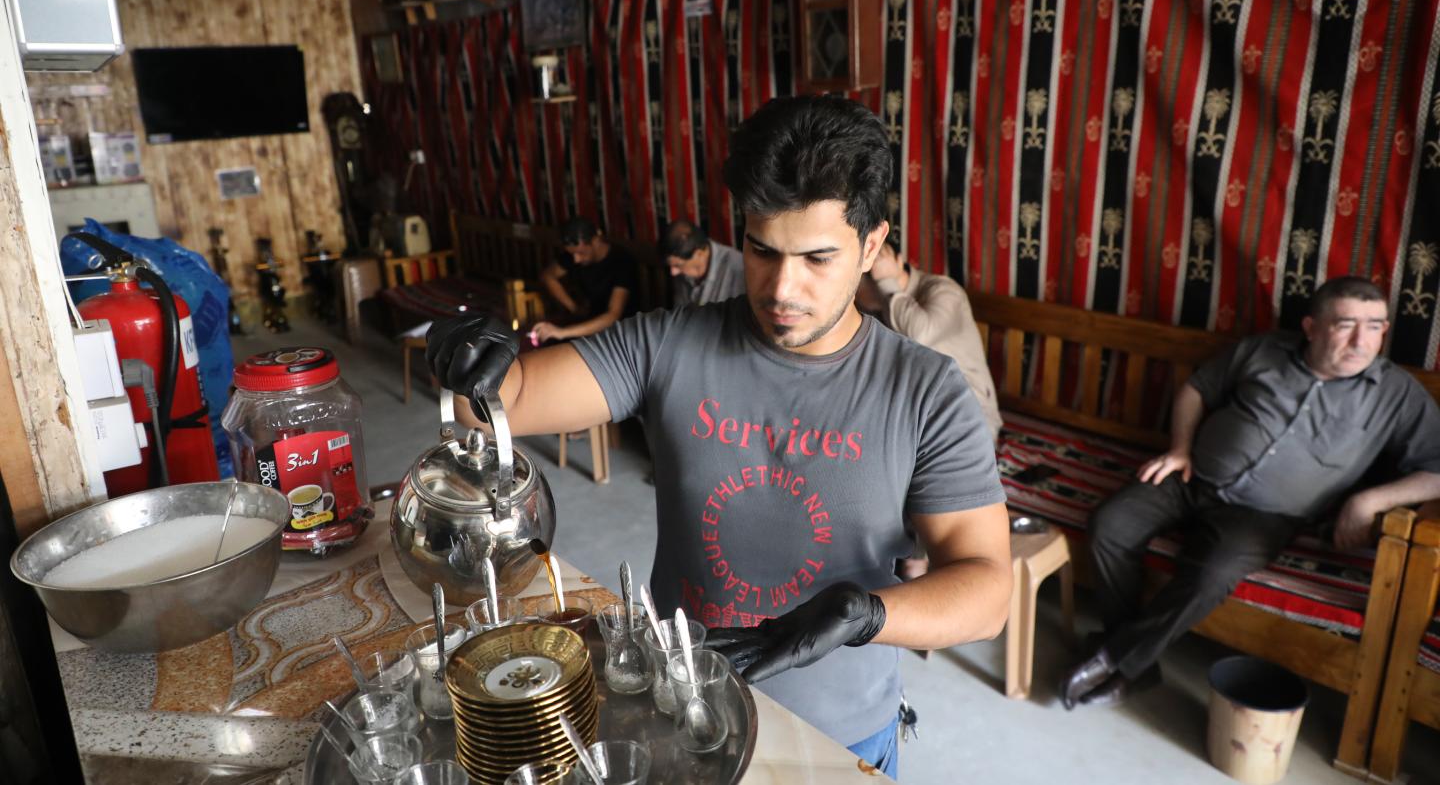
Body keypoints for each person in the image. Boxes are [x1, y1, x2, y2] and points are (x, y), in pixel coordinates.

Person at [427, 95, 1011, 777]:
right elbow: (505, 400)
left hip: (841, 737)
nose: (782, 287)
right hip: (685, 708)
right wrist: (470, 361)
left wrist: (865, 614)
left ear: (872, 245)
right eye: (763, 251)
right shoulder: (672, 343)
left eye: (818, 258)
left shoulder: (925, 391)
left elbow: (987, 592)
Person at [1063, 276, 1440, 709]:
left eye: (1375, 326)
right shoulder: (1262, 350)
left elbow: (1437, 468)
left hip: (1265, 516)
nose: (1362, 340)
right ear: (1312, 327)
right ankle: (1136, 665)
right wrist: (1181, 448)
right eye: (1345, 324)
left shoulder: (1396, 394)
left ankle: (1114, 657)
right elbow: (1196, 389)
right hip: (1192, 481)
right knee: (1110, 524)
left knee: (1212, 573)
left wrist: (1368, 501)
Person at [861, 235, 1002, 441]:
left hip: (970, 418)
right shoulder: (869, 307)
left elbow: (918, 336)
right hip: (911, 415)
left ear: (898, 261)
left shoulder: (943, 290)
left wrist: (886, 283)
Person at [532, 217, 638, 343]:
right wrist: (574, 308)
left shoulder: (621, 261)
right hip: (589, 323)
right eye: (572, 254)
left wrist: (562, 332)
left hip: (621, 332)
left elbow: (613, 316)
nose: (576, 259)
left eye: (580, 253)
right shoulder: (575, 255)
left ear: (595, 241)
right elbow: (548, 276)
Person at [662, 218, 746, 307]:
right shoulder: (683, 263)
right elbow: (679, 312)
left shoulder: (738, 268)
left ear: (699, 254)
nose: (673, 272)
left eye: (677, 265)